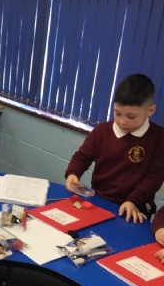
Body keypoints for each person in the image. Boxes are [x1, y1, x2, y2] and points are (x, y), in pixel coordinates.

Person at [65, 74, 164, 224]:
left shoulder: (159, 138)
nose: (122, 121)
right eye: (117, 113)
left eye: (131, 117)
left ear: (150, 110)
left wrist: (133, 200)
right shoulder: (102, 131)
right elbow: (82, 156)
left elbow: (154, 177)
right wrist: (73, 173)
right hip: (98, 201)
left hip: (134, 207)